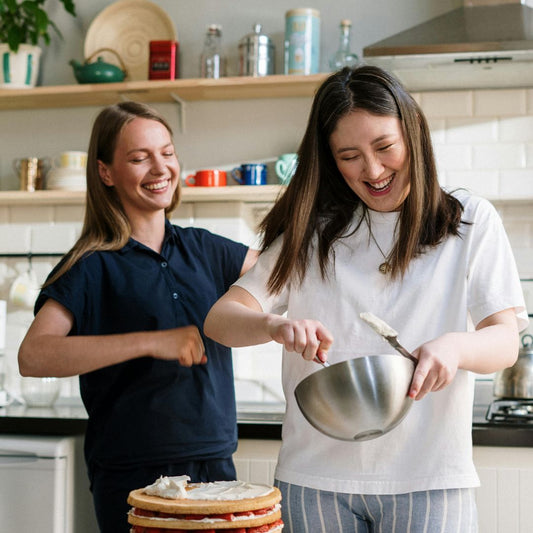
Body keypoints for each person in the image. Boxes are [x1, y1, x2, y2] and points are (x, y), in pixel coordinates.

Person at [204, 65, 527, 533]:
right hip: (314, 479)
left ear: (412, 134)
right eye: (349, 156)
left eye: (384, 147)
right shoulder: (312, 233)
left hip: (431, 478)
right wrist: (272, 326)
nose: (373, 171)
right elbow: (220, 319)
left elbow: (505, 340)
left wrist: (456, 347)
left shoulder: (468, 220)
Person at [17, 101, 257, 533]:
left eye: (166, 153)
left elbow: (286, 272)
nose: (159, 167)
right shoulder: (89, 265)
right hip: (132, 476)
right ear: (106, 172)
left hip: (215, 465)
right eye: (139, 157)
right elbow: (33, 356)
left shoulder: (205, 249)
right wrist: (152, 340)